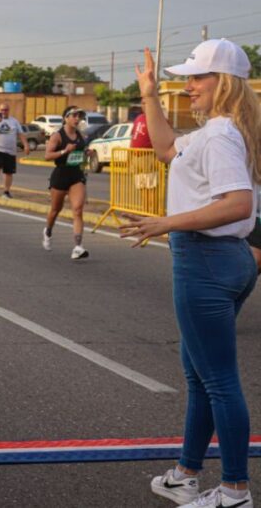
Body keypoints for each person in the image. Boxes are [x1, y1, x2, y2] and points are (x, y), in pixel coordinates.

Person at [120, 42, 260, 508]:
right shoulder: (219, 131)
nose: (189, 85)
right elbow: (162, 148)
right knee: (201, 375)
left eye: (198, 77)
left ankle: (235, 491)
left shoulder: (220, 135)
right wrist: (148, 94)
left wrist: (166, 223)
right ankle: (185, 474)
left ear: (223, 82)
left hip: (206, 259)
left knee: (218, 379)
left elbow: (237, 204)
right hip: (223, 259)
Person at [42, 106, 94, 259]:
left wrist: (87, 154)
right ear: (66, 118)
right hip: (60, 175)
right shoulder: (57, 136)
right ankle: (48, 231)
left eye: (79, 116)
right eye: (74, 116)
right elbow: (47, 155)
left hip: (76, 175)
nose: (77, 119)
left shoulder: (80, 135)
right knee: (55, 210)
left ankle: (78, 247)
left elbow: (81, 155)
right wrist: (65, 151)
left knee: (77, 210)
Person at [0, 103, 27, 198]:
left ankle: (6, 191)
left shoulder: (14, 121)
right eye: (2, 110)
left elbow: (21, 134)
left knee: (8, 172)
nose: (4, 112)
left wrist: (26, 145)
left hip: (10, 151)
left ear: (9, 110)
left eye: (6, 110)